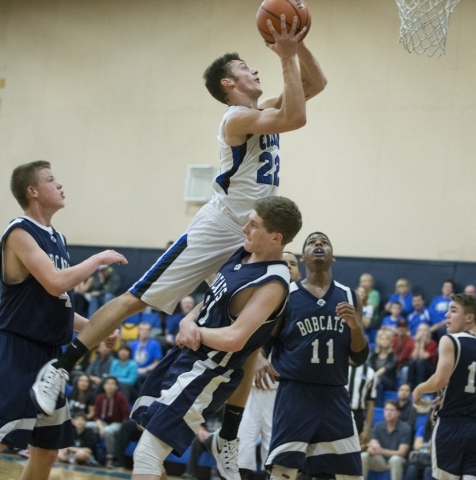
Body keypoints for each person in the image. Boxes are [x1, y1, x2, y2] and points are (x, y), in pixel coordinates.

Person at [31, 15, 326, 426]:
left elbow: (314, 87)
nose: (254, 69)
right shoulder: (236, 118)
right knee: (137, 299)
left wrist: (298, 46)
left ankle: (229, 434)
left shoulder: (264, 109)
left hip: (252, 235)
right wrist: (286, 57)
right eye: (245, 67)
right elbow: (297, 116)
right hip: (220, 227)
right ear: (228, 84)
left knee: (255, 332)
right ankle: (60, 368)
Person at [129, 196, 303, 480]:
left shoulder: (273, 282)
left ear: (276, 237)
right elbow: (214, 299)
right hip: (185, 356)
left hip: (207, 371)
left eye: (254, 225)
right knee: (150, 439)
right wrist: (188, 319)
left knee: (147, 454)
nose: (245, 228)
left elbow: (236, 338)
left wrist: (194, 331)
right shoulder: (244, 254)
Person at [0, 160, 126, 478]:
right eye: (51, 180)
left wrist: (97, 326)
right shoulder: (19, 232)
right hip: (17, 350)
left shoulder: (57, 238)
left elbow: (58, 303)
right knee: (0, 439)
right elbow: (56, 281)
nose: (60, 184)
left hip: (52, 358)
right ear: (33, 191)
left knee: (48, 450)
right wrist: (98, 258)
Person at [255, 231, 368, 480]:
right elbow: (265, 341)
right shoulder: (286, 295)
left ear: (333, 257)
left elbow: (359, 358)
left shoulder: (350, 297)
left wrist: (356, 327)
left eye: (324, 242)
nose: (318, 244)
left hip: (335, 393)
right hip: (295, 393)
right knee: (283, 471)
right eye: (312, 242)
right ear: (303, 258)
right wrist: (261, 359)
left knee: (348, 474)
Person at [236, 251, 302, 480]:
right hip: (252, 384)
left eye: (293, 264)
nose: (288, 266)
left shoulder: (301, 303)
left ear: (299, 273)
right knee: (241, 448)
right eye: (284, 262)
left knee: (274, 453)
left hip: (282, 388)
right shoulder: (259, 293)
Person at [412, 293, 476, 480]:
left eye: (453, 310)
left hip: (451, 427)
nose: (446, 315)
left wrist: (419, 389)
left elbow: (441, 380)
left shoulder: (450, 340)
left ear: (469, 317)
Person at [361, 400, 411, 480]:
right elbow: (374, 444)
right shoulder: (377, 426)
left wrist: (380, 451)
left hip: (398, 461)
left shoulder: (405, 428)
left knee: (395, 459)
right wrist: (371, 450)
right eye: (386, 410)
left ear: (398, 413)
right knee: (364, 456)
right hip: (380, 461)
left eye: (392, 410)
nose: (389, 412)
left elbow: (402, 453)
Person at [91, 376, 130, 468]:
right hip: (104, 422)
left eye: (113, 384)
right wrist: (101, 428)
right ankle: (90, 455)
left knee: (108, 431)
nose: (110, 386)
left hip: (118, 423)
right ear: (104, 385)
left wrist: (123, 430)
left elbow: (126, 416)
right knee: (88, 425)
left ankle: (110, 457)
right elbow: (96, 416)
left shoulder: (121, 397)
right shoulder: (99, 397)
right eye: (108, 383)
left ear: (116, 387)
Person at [348, 361, 377, 451]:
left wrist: (367, 429)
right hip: (336, 412)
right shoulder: (337, 367)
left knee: (354, 450)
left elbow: (370, 403)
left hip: (357, 415)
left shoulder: (370, 372)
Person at [129, 321, 163, 388]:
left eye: (147, 330)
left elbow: (157, 362)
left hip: (148, 372)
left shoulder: (155, 344)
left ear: (149, 331)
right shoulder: (133, 344)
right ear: (138, 331)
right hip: (133, 371)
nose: (144, 332)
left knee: (140, 377)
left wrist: (145, 370)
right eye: (142, 330)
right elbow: (129, 361)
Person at [369, 329, 397, 407]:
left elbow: (385, 369)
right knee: (379, 385)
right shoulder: (374, 355)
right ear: (379, 341)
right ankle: (378, 408)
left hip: (389, 382)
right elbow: (370, 368)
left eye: (387, 339)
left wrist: (374, 377)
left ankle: (377, 407)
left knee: (379, 378)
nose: (384, 341)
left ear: (390, 342)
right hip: (377, 381)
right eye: (382, 339)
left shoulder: (392, 356)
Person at [406, 324, 437, 390]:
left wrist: (422, 343)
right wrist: (417, 344)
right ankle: (408, 386)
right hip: (418, 366)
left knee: (420, 362)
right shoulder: (414, 342)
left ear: (428, 332)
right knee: (411, 362)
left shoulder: (432, 343)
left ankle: (420, 387)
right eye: (420, 330)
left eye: (424, 330)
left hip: (430, 369)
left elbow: (422, 357)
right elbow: (414, 357)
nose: (422, 332)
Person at [392, 319, 415, 385]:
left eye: (403, 327)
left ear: (407, 329)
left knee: (405, 370)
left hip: (405, 365)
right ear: (396, 328)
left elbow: (411, 358)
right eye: (399, 327)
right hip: (393, 365)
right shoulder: (393, 339)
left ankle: (403, 388)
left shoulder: (411, 341)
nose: (401, 329)